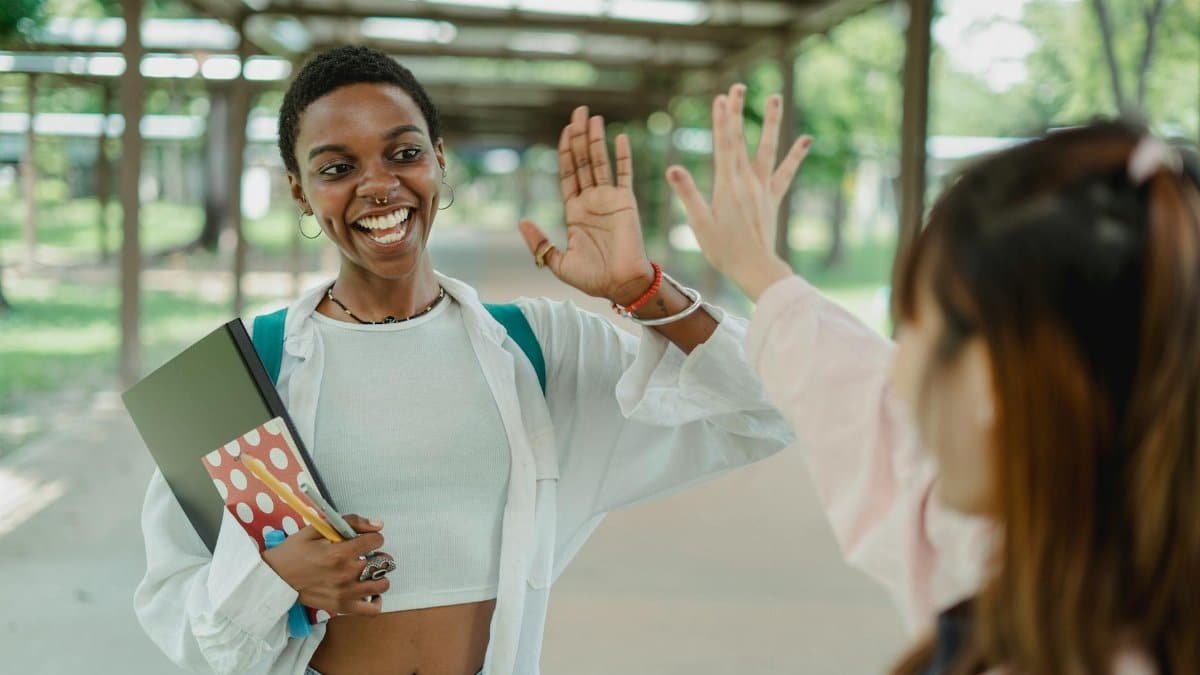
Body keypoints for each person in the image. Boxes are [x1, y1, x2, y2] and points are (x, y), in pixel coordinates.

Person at [133, 46, 797, 675]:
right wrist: (270, 578)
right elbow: (177, 612)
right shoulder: (248, 373)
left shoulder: (538, 351)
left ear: (440, 160)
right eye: (337, 168)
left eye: (404, 152)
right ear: (300, 190)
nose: (379, 185)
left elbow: (772, 407)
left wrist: (643, 289)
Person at [673, 83, 1200, 674]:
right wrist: (759, 270)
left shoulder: (1015, 586)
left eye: (911, 328)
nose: (893, 375)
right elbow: (869, 419)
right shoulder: (1057, 556)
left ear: (987, 383)